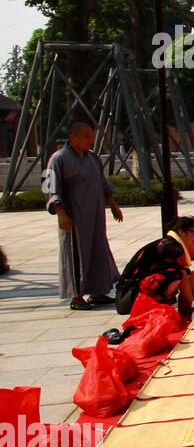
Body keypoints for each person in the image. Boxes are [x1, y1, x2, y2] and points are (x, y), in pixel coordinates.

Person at [45, 121, 123, 310]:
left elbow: (103, 184)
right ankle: (76, 297)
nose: (91, 141)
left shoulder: (93, 158)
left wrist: (113, 205)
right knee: (75, 255)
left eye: (92, 137)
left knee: (98, 250)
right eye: (87, 137)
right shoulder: (58, 159)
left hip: (95, 216)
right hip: (75, 218)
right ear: (73, 138)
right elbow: (49, 188)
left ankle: (98, 291)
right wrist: (61, 214)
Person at [116, 216, 194, 316]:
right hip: (130, 297)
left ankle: (170, 302)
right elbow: (182, 275)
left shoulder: (171, 244)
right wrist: (193, 305)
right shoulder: (171, 248)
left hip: (132, 292)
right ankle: (163, 303)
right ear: (182, 231)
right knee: (177, 274)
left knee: (184, 272)